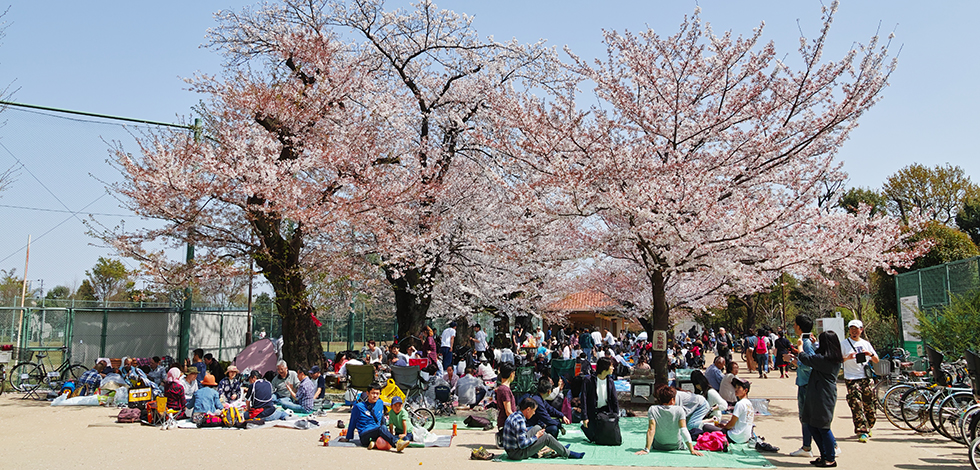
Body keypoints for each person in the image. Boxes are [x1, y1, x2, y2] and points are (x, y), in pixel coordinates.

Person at [797, 330, 844, 467]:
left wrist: (800, 346)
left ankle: (830, 458)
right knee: (812, 425)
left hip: (823, 396)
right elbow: (816, 355)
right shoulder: (831, 358)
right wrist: (813, 344)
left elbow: (805, 358)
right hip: (817, 394)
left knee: (823, 427)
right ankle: (824, 455)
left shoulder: (824, 360)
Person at [501, 398, 584, 460]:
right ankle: (567, 453)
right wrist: (536, 436)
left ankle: (558, 448)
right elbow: (522, 445)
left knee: (537, 427)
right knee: (547, 438)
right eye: (533, 411)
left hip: (512, 449)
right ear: (528, 409)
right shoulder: (520, 421)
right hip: (516, 453)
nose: (534, 413)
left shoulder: (515, 415)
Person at [635, 385, 703, 457]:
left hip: (658, 446)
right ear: (672, 400)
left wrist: (646, 449)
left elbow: (651, 430)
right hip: (676, 446)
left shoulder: (652, 409)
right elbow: (684, 430)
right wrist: (691, 450)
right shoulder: (679, 410)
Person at [340, 382, 410, 452]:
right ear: (367, 393)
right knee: (381, 429)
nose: (375, 396)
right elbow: (352, 422)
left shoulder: (380, 403)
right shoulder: (358, 407)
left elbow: (382, 418)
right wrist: (348, 438)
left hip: (377, 431)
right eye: (373, 393)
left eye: (377, 394)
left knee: (385, 430)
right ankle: (396, 443)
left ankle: (374, 443)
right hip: (364, 435)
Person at [840, 319, 878, 443]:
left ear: (861, 330)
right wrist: (847, 357)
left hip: (866, 377)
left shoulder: (866, 344)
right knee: (856, 403)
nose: (854, 331)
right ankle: (862, 430)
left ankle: (869, 424)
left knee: (870, 404)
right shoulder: (844, 344)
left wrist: (870, 354)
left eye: (856, 329)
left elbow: (876, 360)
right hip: (851, 378)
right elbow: (838, 360)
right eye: (851, 329)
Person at [580, 356, 619, 444]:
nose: (613, 368)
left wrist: (616, 414)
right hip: (592, 412)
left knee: (609, 437)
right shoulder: (588, 380)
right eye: (611, 366)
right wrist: (584, 417)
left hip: (605, 412)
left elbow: (614, 399)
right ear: (605, 367)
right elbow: (584, 399)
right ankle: (585, 427)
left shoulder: (610, 381)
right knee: (594, 438)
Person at [704, 377, 754, 444]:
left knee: (706, 427)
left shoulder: (740, 404)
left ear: (745, 390)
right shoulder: (749, 404)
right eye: (736, 387)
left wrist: (725, 426)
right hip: (745, 437)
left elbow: (731, 424)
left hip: (735, 437)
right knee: (723, 421)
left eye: (739, 388)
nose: (736, 389)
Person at [496, 362, 517, 429]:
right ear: (511, 374)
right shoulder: (505, 390)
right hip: (507, 425)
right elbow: (508, 411)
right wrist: (517, 423)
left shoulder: (502, 388)